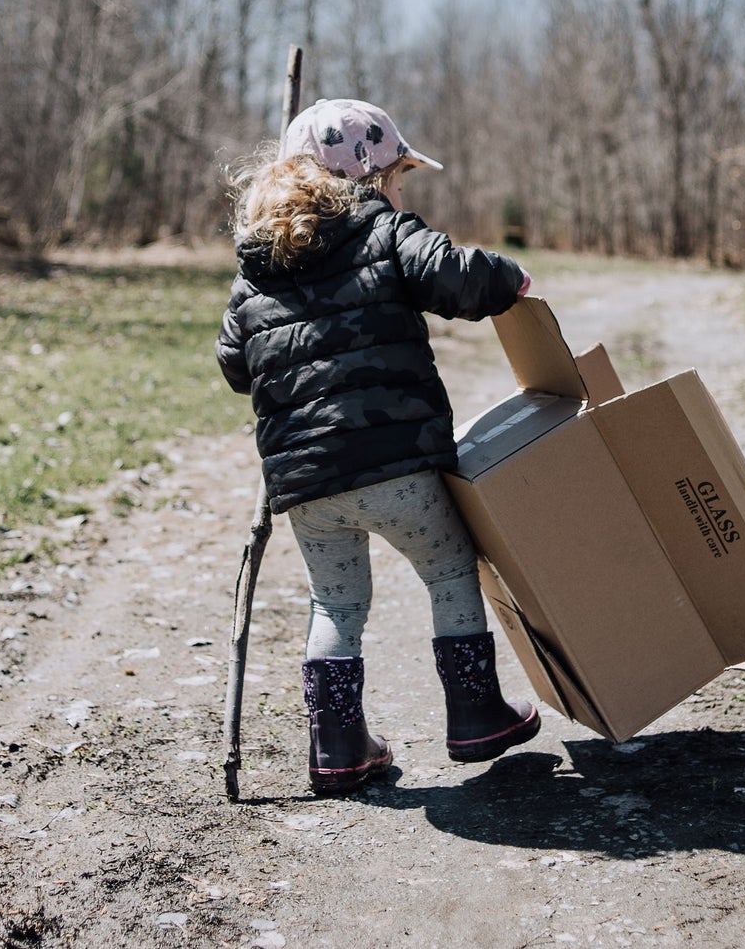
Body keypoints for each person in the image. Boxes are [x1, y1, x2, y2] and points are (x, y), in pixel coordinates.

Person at [216, 98, 541, 796]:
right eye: (398, 176)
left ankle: (337, 747)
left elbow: (233, 363)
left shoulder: (256, 265)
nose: (401, 191)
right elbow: (453, 275)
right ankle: (475, 712)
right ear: (364, 177)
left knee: (335, 603)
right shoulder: (383, 230)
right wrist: (508, 278)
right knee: (451, 567)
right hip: (397, 465)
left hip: (307, 482)